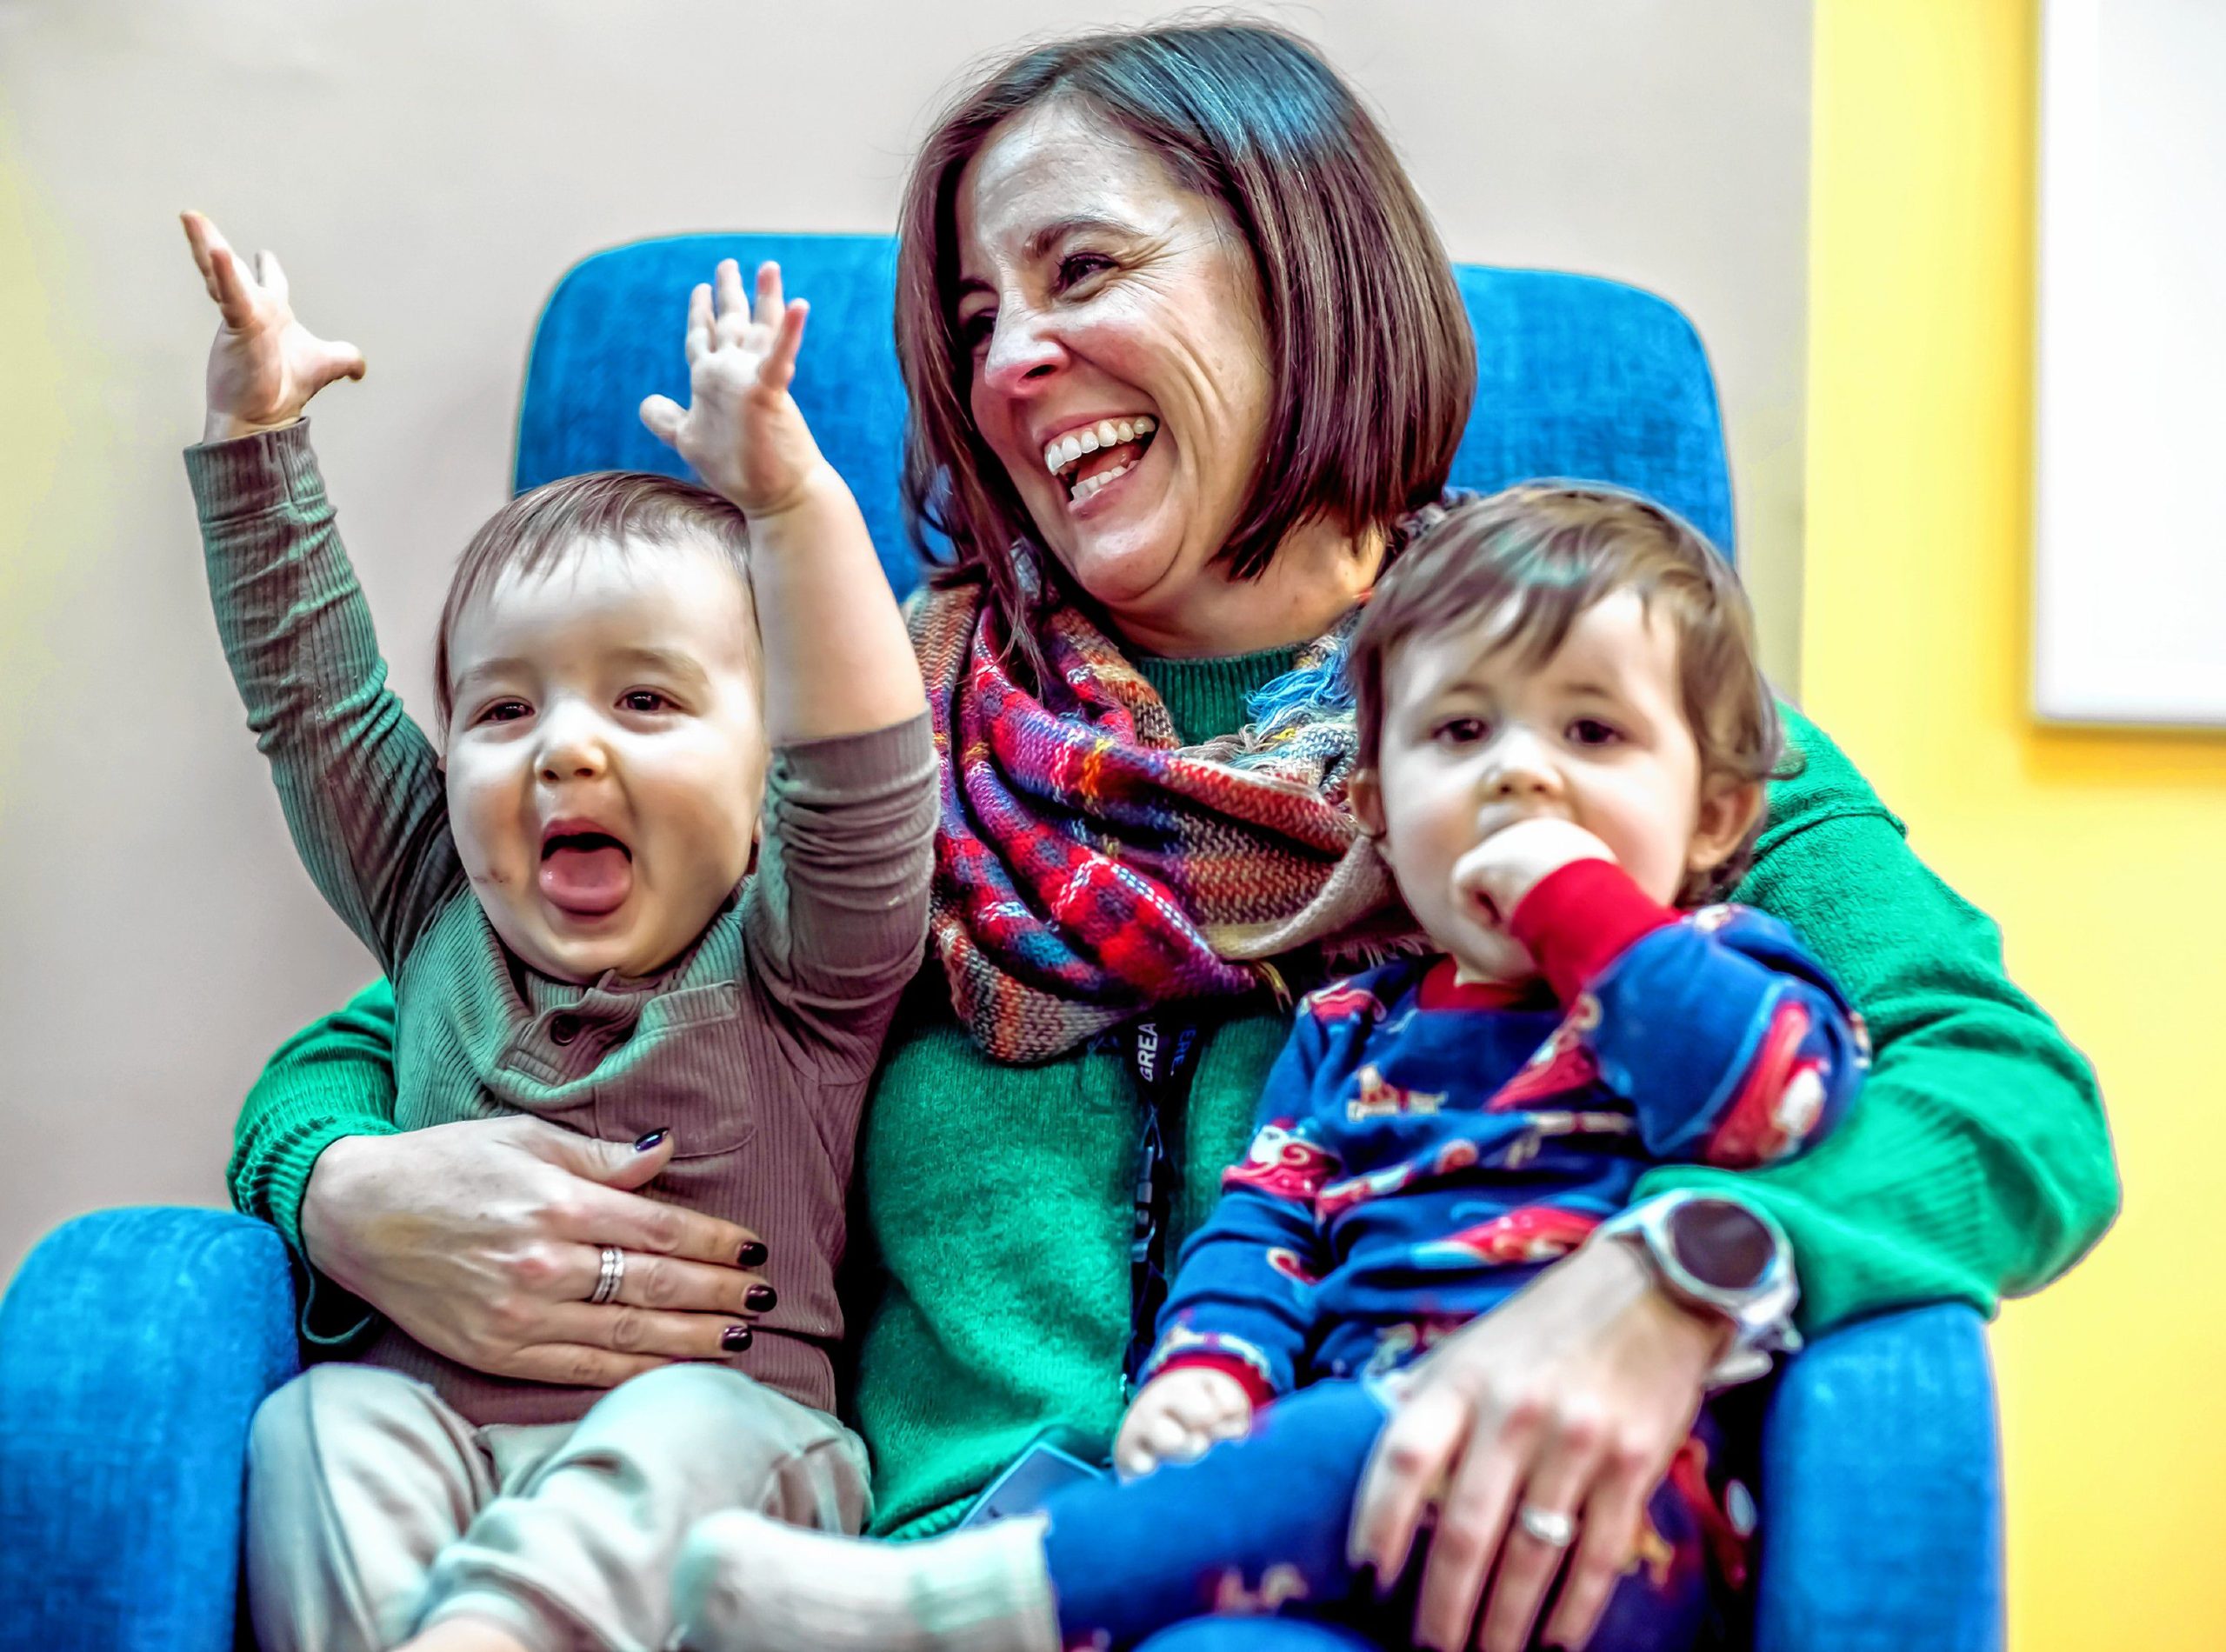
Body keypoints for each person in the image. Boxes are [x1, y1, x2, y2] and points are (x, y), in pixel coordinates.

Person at [222, 22, 2119, 1652]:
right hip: (895, 1585)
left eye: (1080, 270)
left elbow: (2004, 1095)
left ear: (1301, 272)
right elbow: (444, 995)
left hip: (1350, 1571)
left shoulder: (1576, 710)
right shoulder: (876, 715)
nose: (1010, 361)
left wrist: (1681, 1271)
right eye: (978, 313)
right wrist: (333, 1180)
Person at [660, 483, 1869, 1652]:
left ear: (1717, 818)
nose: (1519, 773)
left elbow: (1771, 1104)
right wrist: (1210, 1367)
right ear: (1376, 805)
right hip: (1339, 1551)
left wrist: (1580, 906)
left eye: (1591, 731)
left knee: (1336, 1441)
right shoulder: (1352, 1028)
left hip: (1598, 1533)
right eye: (1459, 732)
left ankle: (969, 1610)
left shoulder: (1730, 965)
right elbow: (1264, 1229)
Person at [180, 211, 934, 1652]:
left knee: (682, 1432)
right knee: (320, 1427)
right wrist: (254, 432)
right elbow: (312, 701)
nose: (561, 752)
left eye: (645, 702)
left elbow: (865, 771)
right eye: (504, 710)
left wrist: (787, 507)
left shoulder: (802, 959)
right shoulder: (435, 905)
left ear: (767, 767)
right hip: (446, 1460)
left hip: (733, 1473)